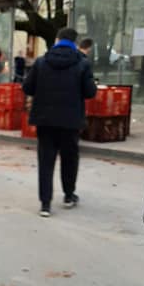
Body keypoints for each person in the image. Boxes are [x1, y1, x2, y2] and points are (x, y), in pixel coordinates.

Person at [22, 26, 97, 217]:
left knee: (46, 161)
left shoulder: (41, 62)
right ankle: (68, 195)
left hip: (45, 121)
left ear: (57, 40)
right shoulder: (82, 63)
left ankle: (45, 204)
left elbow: (27, 87)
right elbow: (90, 92)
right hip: (71, 121)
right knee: (69, 159)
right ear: (75, 43)